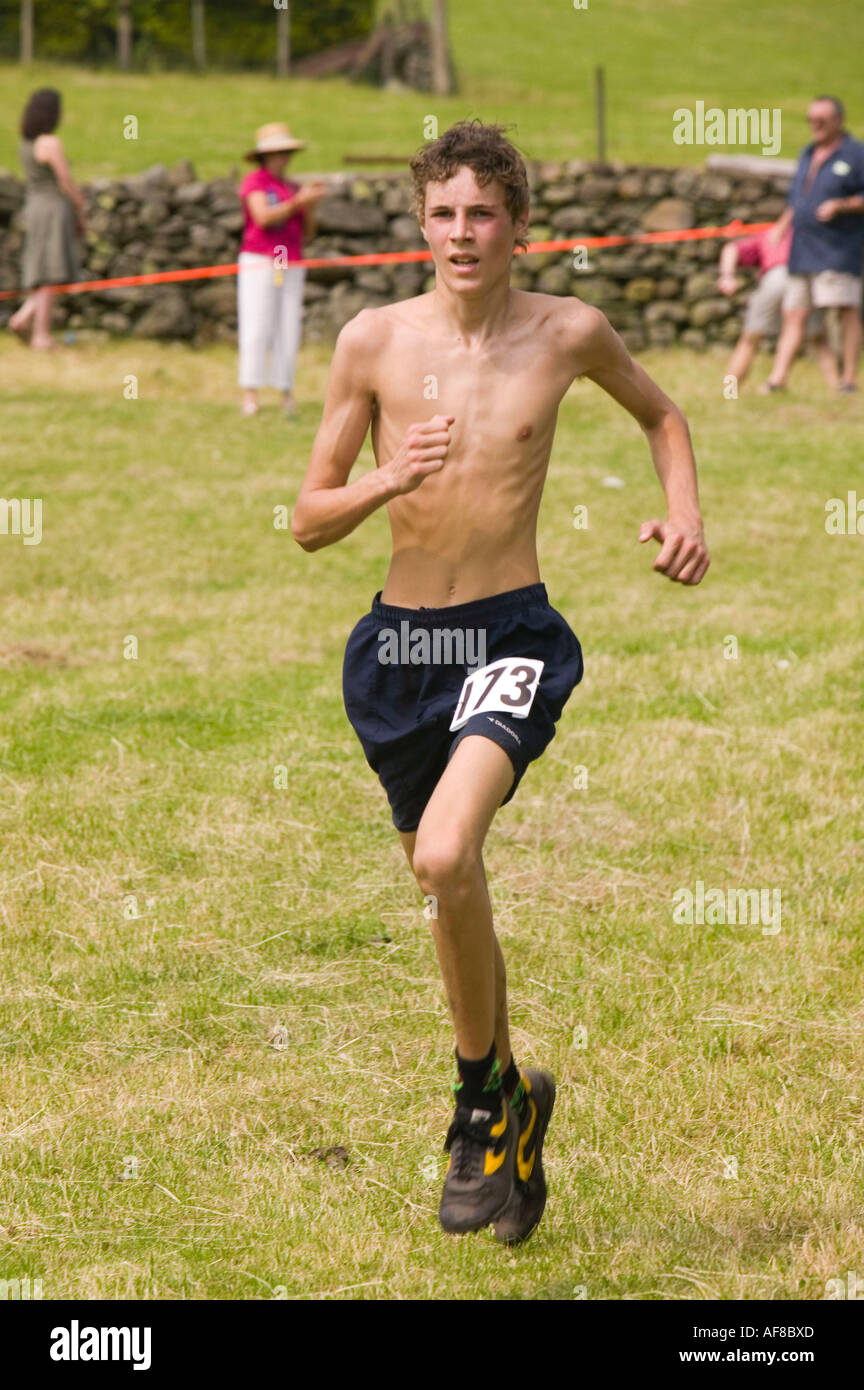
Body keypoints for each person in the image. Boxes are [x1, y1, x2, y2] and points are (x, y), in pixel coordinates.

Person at [291, 121, 709, 1245]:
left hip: (509, 637)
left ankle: (476, 1102)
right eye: (443, 213)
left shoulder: (568, 332)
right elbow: (306, 521)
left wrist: (686, 512)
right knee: (449, 889)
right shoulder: (372, 342)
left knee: (442, 850)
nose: (462, 233)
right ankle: (513, 1101)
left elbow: (664, 414)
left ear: (522, 225)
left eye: (484, 213)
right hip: (399, 653)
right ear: (419, 223)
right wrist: (387, 476)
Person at [761, 95, 864, 394]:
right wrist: (780, 228)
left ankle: (848, 379)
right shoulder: (808, 153)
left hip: (838, 248)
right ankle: (777, 379)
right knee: (794, 313)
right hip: (802, 249)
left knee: (845, 310)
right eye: (811, 119)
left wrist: (841, 205)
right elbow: (797, 200)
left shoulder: (855, 154)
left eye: (822, 119)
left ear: (838, 120)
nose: (815, 125)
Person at [237, 123, 326, 417]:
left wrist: (309, 207)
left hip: (290, 260)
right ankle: (250, 392)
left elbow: (308, 232)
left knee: (289, 324)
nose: (284, 159)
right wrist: (298, 202)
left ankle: (285, 390)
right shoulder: (255, 182)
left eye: (286, 153)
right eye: (278, 153)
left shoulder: (291, 187)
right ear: (266, 156)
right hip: (260, 259)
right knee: (257, 323)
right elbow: (262, 217)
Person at [717, 223, 838, 389]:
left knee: (749, 339)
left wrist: (727, 276)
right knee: (819, 339)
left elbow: (732, 248)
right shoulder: (812, 233)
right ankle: (838, 389)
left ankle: (729, 391)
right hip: (807, 278)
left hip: (775, 277)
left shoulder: (770, 233)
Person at [9, 88, 85, 351]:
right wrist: (80, 206)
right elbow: (65, 181)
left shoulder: (25, 143)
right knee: (51, 271)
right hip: (53, 208)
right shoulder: (50, 143)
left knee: (43, 271)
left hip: (35, 206)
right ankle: (41, 335)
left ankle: (22, 318)